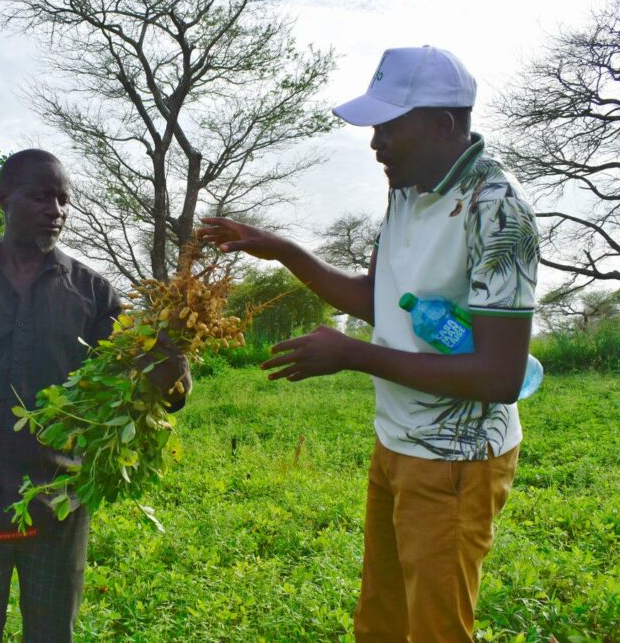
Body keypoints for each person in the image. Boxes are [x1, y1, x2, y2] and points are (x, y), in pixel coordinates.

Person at [199, 46, 539, 642]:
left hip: (455, 461)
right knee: (380, 620)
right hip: (397, 442)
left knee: (435, 630)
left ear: (442, 126)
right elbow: (379, 300)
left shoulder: (498, 212)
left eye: (388, 127)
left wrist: (352, 355)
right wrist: (278, 249)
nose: (375, 143)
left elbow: (499, 376)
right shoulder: (407, 190)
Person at [0, 149, 190, 643]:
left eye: (63, 200)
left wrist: (171, 376)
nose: (56, 210)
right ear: (3, 200)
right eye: (40, 196)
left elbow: (142, 384)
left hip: (59, 502)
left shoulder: (93, 293)